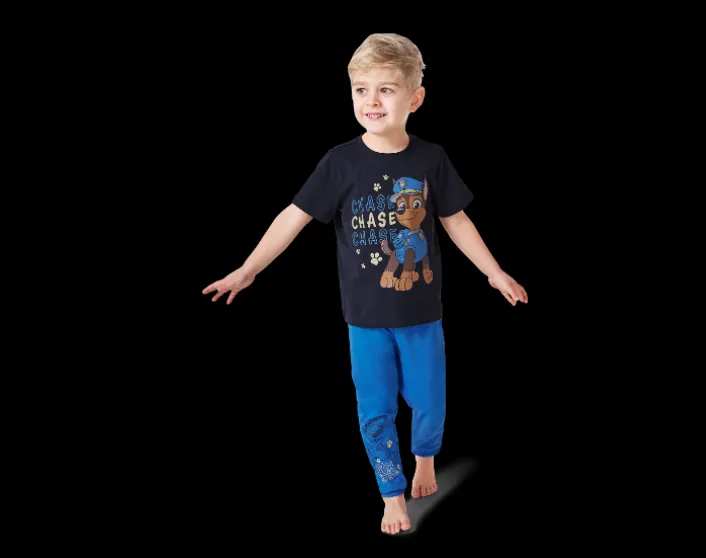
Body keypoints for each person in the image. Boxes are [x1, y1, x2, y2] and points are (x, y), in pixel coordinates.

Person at [202, 33, 528, 535]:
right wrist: (248, 269)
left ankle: (425, 458)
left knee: (429, 400)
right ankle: (391, 492)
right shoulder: (340, 163)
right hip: (365, 321)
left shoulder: (431, 159)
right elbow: (293, 217)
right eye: (361, 90)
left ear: (415, 98)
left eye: (386, 90)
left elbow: (456, 220)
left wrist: (493, 270)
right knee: (375, 409)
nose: (371, 101)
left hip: (422, 315)